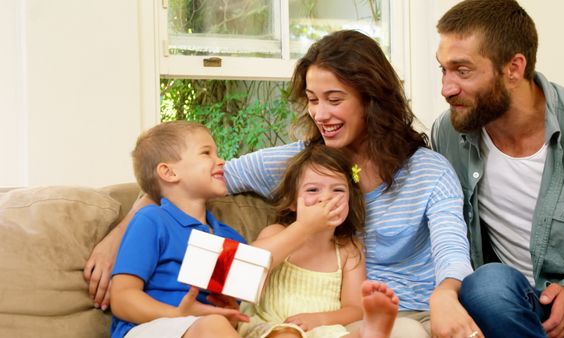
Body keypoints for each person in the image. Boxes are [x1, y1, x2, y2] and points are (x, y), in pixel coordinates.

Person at [86, 30, 478, 337]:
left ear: (370, 99)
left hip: (408, 311)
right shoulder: (301, 162)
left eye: (334, 99)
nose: (320, 114)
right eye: (312, 99)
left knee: (405, 330)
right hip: (325, 323)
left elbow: (451, 249)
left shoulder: (428, 171)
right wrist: (115, 239)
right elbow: (183, 181)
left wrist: (446, 294)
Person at [431, 1, 564, 337]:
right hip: (521, 309)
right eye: (443, 70)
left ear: (514, 67)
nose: (446, 88)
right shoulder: (450, 133)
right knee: (484, 285)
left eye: (463, 70)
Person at [238, 143, 398, 338]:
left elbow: (354, 308)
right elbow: (250, 263)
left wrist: (320, 319)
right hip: (272, 324)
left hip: (323, 330)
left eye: (338, 190)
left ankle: (369, 333)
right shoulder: (276, 232)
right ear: (291, 202)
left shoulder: (349, 250)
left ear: (350, 199)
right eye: (313, 190)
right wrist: (305, 227)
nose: (326, 198)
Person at [109, 121, 250, 338]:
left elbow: (224, 314)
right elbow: (122, 297)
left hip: (203, 328)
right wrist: (177, 315)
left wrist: (229, 308)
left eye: (217, 153)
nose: (220, 161)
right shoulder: (152, 220)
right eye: (206, 153)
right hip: (146, 328)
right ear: (169, 172)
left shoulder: (229, 238)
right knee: (212, 326)